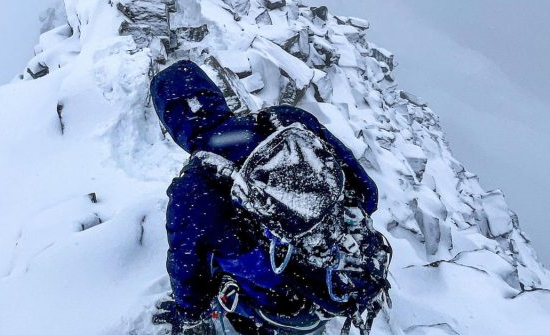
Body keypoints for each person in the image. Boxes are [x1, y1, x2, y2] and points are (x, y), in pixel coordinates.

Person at [150, 60, 385, 335]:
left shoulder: (193, 187)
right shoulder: (284, 121)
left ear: (172, 124)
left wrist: (188, 313)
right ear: (215, 96)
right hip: (350, 263)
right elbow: (366, 193)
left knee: (218, 255)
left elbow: (187, 267)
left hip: (285, 304)